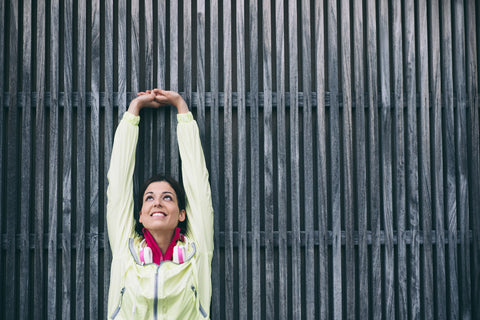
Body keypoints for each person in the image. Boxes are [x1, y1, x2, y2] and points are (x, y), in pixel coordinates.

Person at [106, 89, 214, 319]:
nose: (157, 203)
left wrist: (182, 110)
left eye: (167, 197)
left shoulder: (196, 253)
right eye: (149, 198)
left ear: (182, 214)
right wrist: (133, 111)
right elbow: (118, 184)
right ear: (140, 215)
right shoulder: (126, 251)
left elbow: (198, 183)